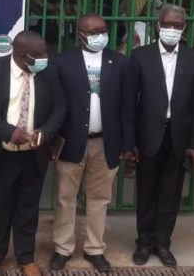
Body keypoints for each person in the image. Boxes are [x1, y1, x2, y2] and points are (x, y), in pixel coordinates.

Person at [0, 31, 66, 276]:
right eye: (40, 54)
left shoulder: (48, 72)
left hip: (33, 154)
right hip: (1, 152)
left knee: (28, 207)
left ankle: (26, 258)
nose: (46, 57)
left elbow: (60, 107)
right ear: (22, 55)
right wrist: (7, 131)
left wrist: (45, 132)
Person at [49, 14, 132, 273]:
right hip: (71, 141)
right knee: (65, 198)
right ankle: (63, 248)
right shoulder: (62, 62)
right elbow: (53, 103)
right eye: (93, 31)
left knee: (100, 199)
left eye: (103, 30)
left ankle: (95, 249)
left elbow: (128, 107)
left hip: (106, 142)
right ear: (80, 34)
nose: (100, 35)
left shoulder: (119, 62)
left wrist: (127, 143)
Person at [126, 4, 194, 268]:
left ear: (185, 28)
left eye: (178, 25)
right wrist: (131, 141)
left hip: (178, 137)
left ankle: (163, 243)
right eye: (167, 24)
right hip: (148, 135)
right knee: (146, 192)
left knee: (171, 194)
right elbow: (129, 103)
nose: (172, 29)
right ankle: (144, 242)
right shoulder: (140, 56)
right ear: (158, 26)